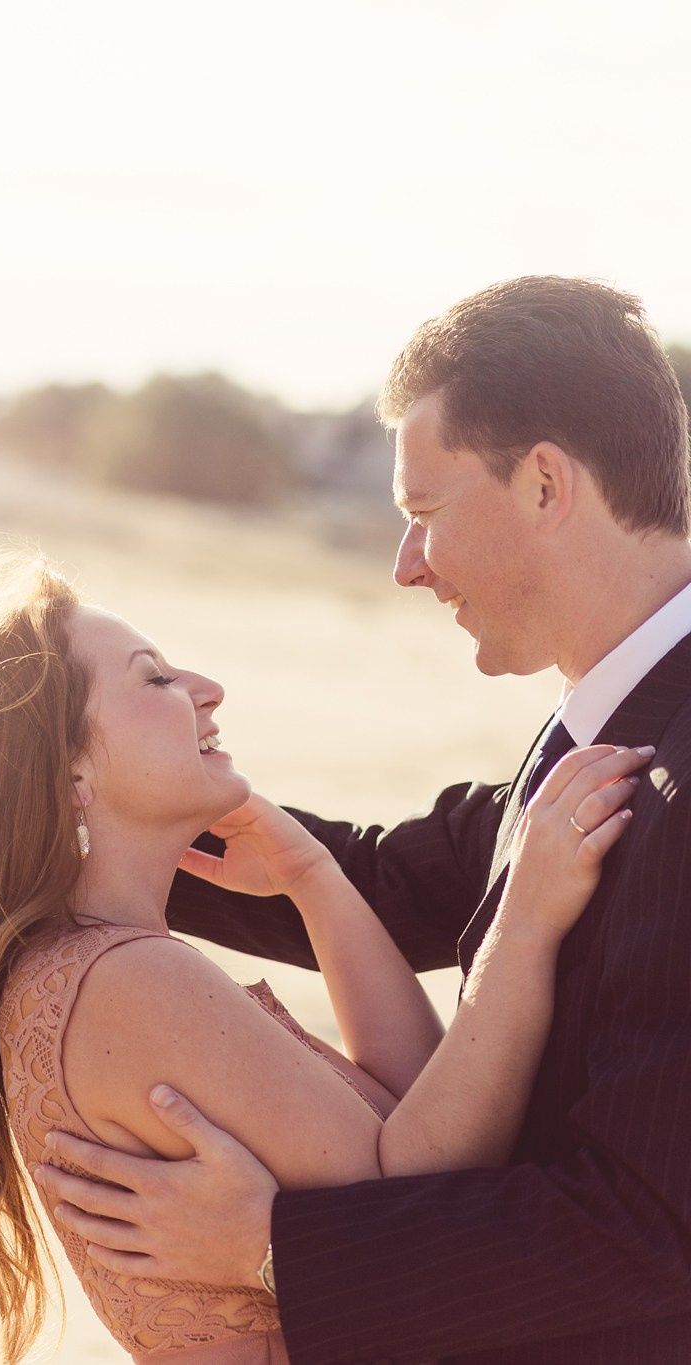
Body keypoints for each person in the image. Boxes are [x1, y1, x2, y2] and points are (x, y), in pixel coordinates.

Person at [0, 553, 642, 1365]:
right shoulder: (124, 980)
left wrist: (313, 877)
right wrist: (525, 924)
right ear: (69, 775)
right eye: (154, 680)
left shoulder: (89, 969)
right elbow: (425, 1178)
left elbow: (412, 1102)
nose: (206, 688)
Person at [38, 276, 691, 1364]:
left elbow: (648, 1227)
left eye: (423, 513)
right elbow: (390, 883)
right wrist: (78, 812)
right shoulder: (600, 730)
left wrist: (272, 1248)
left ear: (541, 485)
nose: (402, 565)